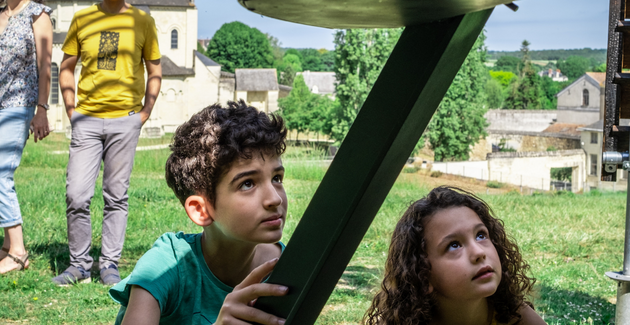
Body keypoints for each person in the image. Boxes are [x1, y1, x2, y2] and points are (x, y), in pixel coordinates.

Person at [109, 101, 289, 325]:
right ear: (201, 210)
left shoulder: (287, 267)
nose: (275, 198)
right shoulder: (166, 266)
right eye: (247, 183)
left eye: (276, 178)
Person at [52, 0, 162, 286]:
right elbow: (66, 67)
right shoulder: (82, 17)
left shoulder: (143, 21)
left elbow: (155, 70)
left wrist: (144, 113)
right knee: (77, 194)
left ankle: (109, 264)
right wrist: (70, 110)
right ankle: (79, 265)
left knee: (116, 195)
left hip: (125, 120)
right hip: (86, 120)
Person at [365, 186, 547, 325]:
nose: (479, 252)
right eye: (454, 245)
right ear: (422, 273)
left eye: (481, 235)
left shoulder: (515, 317)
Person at [0, 0, 52, 274]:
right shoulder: (1, 13)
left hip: (18, 104)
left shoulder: (37, 14)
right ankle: (9, 245)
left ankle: (18, 253)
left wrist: (41, 109)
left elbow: (45, 65)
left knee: (0, 173)